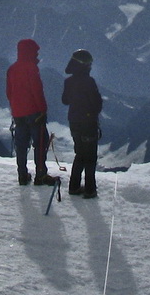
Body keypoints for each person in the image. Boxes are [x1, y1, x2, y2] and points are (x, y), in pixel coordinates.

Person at [6, 38, 55, 186]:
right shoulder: (32, 68)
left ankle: (22, 174)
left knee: (21, 145)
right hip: (34, 112)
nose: (37, 54)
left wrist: (15, 108)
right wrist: (42, 109)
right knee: (40, 143)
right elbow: (37, 90)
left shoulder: (12, 69)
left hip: (18, 114)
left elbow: (9, 92)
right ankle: (40, 174)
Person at [61, 48, 102, 198]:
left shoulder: (68, 81)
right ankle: (90, 189)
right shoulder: (89, 82)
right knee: (90, 157)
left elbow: (65, 101)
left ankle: (74, 186)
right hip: (88, 123)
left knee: (79, 154)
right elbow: (97, 104)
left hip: (74, 122)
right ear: (84, 65)